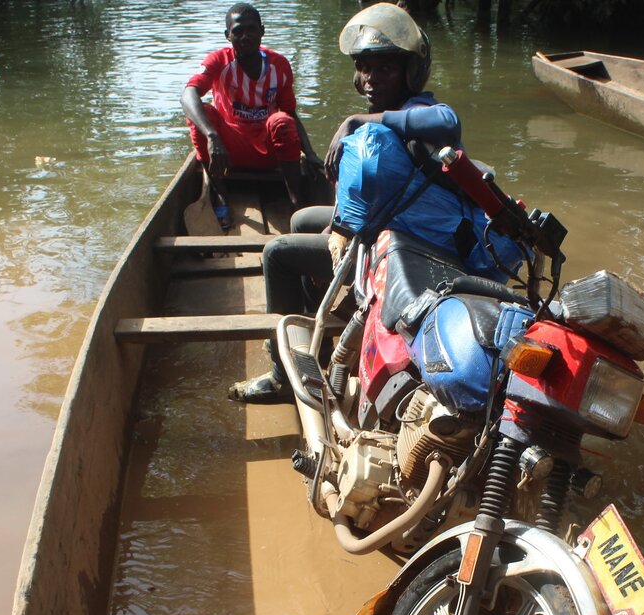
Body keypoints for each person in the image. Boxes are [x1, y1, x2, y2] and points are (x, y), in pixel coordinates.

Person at [229, 2, 461, 404]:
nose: (370, 79)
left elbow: (449, 122)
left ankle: (282, 376)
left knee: (277, 254)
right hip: (386, 231)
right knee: (302, 219)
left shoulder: (418, 111)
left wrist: (358, 120)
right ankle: (315, 343)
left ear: (410, 71)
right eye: (365, 68)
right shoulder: (396, 111)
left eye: (384, 69)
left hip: (399, 250)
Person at [181, 3, 322, 225]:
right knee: (201, 113)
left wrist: (310, 153)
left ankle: (296, 200)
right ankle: (220, 192)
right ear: (227, 36)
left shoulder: (279, 65)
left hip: (268, 153)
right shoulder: (219, 60)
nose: (245, 36)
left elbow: (290, 113)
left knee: (281, 121)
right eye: (237, 31)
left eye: (251, 29)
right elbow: (188, 95)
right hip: (228, 153)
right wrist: (212, 136)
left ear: (262, 31)